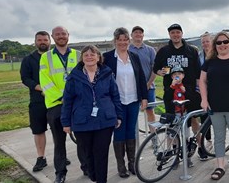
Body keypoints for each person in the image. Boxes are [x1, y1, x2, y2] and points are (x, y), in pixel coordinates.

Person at [61, 45, 123, 183]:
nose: (89, 57)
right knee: (87, 153)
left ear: (98, 57)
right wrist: (65, 122)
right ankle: (94, 175)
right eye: (86, 55)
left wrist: (119, 115)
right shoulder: (74, 77)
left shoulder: (107, 73)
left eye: (92, 54)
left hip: (105, 120)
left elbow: (115, 95)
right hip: (82, 121)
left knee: (101, 154)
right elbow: (67, 101)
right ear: (82, 59)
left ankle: (102, 180)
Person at [199, 32, 229, 181]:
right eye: (218, 43)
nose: (222, 45)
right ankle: (220, 166)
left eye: (225, 42)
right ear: (215, 45)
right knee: (218, 138)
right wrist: (204, 100)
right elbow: (202, 81)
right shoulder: (210, 62)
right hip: (215, 107)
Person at [40, 26, 86, 183]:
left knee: (82, 138)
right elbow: (45, 81)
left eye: (63, 34)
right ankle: (60, 173)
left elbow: (84, 78)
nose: (61, 36)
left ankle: (86, 167)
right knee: (59, 141)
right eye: (57, 34)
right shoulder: (46, 57)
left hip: (77, 104)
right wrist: (63, 97)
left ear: (68, 36)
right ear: (53, 37)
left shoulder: (78, 55)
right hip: (56, 105)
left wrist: (74, 97)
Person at [103, 27, 148, 178]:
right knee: (119, 133)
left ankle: (132, 163)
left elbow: (141, 77)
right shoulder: (107, 57)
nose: (122, 42)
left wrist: (144, 97)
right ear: (115, 41)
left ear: (129, 41)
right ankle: (121, 166)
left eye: (125, 40)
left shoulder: (134, 56)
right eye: (119, 40)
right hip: (116, 103)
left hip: (133, 100)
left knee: (130, 131)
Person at [153, 23, 202, 155]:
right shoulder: (164, 51)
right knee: (172, 121)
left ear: (181, 33)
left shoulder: (191, 50)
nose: (175, 35)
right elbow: (156, 68)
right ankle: (174, 151)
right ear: (169, 35)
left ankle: (200, 146)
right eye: (172, 33)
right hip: (171, 92)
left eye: (177, 32)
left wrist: (198, 90)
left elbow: (198, 72)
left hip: (189, 91)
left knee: (193, 118)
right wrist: (160, 72)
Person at [20, 31, 51, 172]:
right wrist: (40, 88)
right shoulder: (28, 59)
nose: (42, 42)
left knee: (59, 130)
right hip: (38, 100)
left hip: (56, 100)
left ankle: (61, 155)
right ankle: (41, 157)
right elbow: (25, 78)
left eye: (45, 39)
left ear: (50, 41)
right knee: (38, 130)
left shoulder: (54, 57)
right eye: (40, 40)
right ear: (35, 42)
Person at [129, 26, 157, 133]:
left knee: (150, 111)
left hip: (149, 87)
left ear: (143, 35)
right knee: (133, 112)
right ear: (131, 35)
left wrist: (149, 83)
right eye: (135, 32)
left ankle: (153, 136)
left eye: (140, 32)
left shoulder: (150, 50)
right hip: (132, 88)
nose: (138, 34)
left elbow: (155, 68)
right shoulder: (127, 49)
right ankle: (133, 139)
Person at [196, 32, 213, 161]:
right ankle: (207, 141)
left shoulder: (217, 55)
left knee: (216, 117)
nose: (205, 44)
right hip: (202, 90)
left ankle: (215, 142)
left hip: (216, 90)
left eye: (207, 41)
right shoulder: (199, 56)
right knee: (204, 116)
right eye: (203, 42)